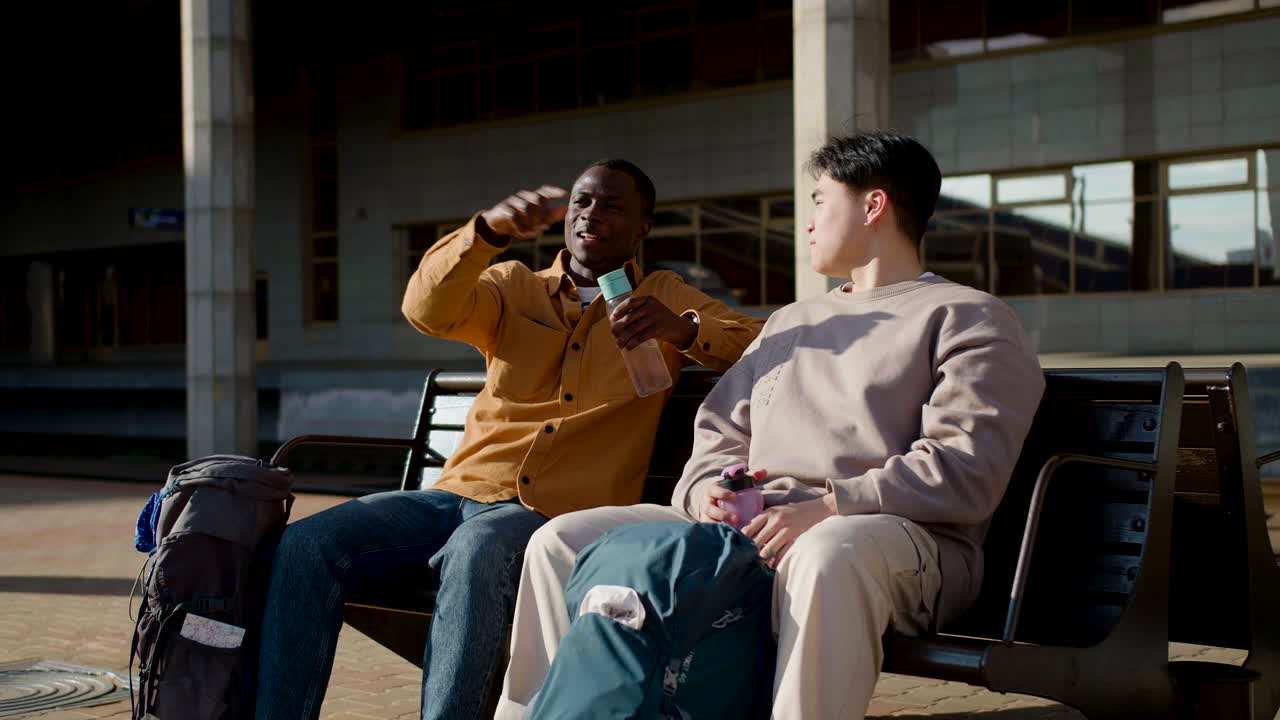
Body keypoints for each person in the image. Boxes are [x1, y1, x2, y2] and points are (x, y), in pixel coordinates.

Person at [494, 133, 1046, 719]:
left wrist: (831, 505)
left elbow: (966, 469)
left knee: (827, 553)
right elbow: (719, 431)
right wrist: (704, 490)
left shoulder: (967, 315)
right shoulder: (791, 319)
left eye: (819, 201)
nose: (807, 221)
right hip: (754, 527)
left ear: (873, 205)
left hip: (895, 538)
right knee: (561, 540)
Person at [255, 159, 764, 720]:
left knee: (477, 551)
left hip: (550, 512)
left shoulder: (661, 294)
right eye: (582, 201)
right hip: (455, 495)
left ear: (643, 227)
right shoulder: (514, 284)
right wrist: (489, 231)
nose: (591, 214)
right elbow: (426, 309)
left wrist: (683, 329)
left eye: (612, 205)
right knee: (305, 544)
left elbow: (760, 341)